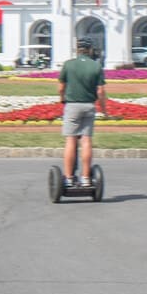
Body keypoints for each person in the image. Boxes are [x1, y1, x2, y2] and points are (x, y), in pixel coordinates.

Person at [58, 41, 106, 189]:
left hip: (72, 105)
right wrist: (103, 108)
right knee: (86, 140)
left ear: (77, 49)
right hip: (88, 105)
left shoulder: (68, 64)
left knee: (71, 140)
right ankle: (85, 178)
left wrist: (62, 99)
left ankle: (69, 178)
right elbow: (100, 91)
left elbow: (61, 87)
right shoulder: (96, 66)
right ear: (90, 50)